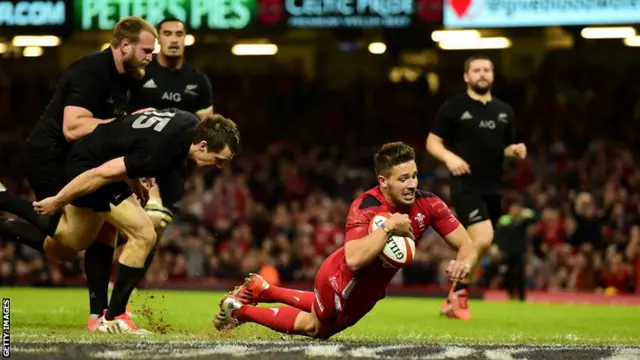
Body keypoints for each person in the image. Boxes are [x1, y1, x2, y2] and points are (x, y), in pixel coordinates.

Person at [213, 142, 479, 338]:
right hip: (341, 281)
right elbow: (354, 258)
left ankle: (264, 290)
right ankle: (238, 311)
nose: (412, 184)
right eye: (403, 179)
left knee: (320, 317)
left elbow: (466, 244)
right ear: (383, 181)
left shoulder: (429, 203)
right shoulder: (366, 205)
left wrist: (464, 264)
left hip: (369, 292)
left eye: (414, 176)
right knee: (316, 328)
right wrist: (388, 227)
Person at [21, 109, 239, 334]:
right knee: (144, 235)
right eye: (219, 160)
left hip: (96, 154)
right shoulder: (161, 150)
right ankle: (114, 317)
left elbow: (140, 123)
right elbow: (100, 174)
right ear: (202, 145)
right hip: (87, 167)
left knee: (84, 237)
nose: (219, 165)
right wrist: (58, 201)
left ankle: (100, 315)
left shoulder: (188, 121)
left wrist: (135, 179)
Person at [0, 15, 157, 322]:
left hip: (82, 159)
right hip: (50, 157)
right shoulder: (91, 71)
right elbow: (73, 127)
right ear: (125, 45)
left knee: (69, 248)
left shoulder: (128, 78)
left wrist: (133, 178)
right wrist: (127, 122)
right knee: (76, 238)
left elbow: (114, 137)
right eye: (146, 51)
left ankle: (96, 316)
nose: (151, 58)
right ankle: (3, 199)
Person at [82, 17, 215, 330]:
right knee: (125, 231)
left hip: (171, 173)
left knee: (148, 236)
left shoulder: (198, 82)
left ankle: (116, 306)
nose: (173, 39)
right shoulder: (140, 73)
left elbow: (208, 133)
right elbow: (116, 112)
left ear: (186, 39)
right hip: (132, 164)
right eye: (167, 33)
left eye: (179, 34)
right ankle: (101, 311)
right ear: (158, 40)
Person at [426, 55, 527, 320]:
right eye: (477, 70)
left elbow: (502, 147)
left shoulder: (505, 111)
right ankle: (457, 294)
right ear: (466, 76)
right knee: (483, 239)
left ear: (493, 75)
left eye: (487, 70)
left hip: (494, 188)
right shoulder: (455, 107)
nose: (482, 74)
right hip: (466, 185)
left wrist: (513, 150)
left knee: (476, 246)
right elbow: (432, 142)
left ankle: (454, 299)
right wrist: (450, 158)